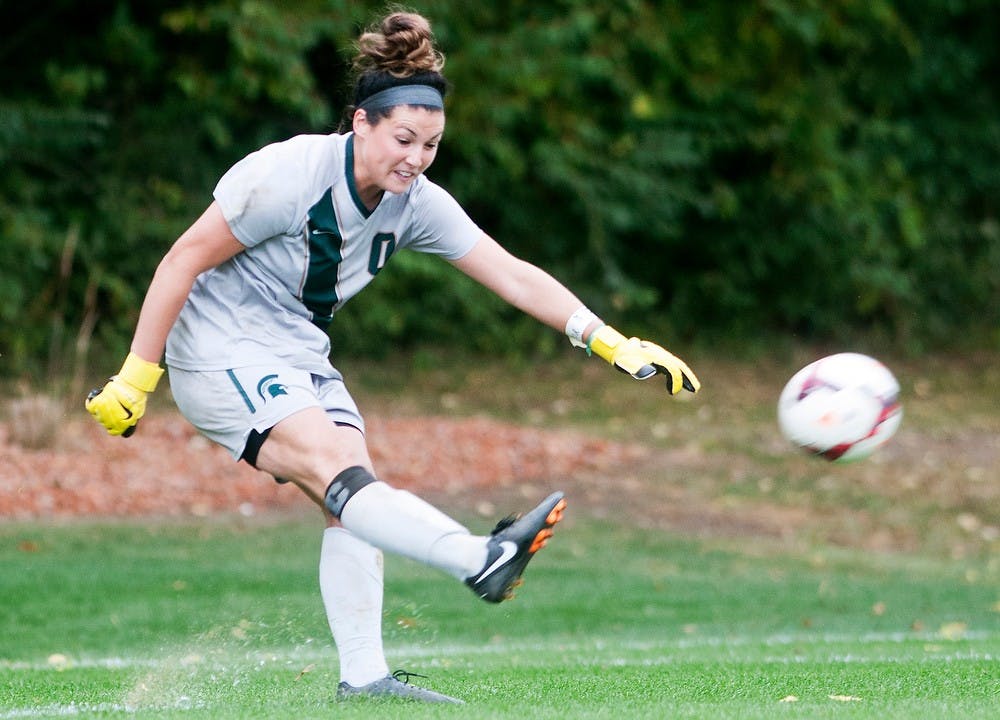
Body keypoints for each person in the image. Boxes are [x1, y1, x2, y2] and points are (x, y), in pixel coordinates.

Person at [85, 10, 700, 705]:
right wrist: (137, 377)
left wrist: (611, 340)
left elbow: (511, 273)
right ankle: (480, 559)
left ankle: (365, 678)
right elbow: (183, 258)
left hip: (297, 353)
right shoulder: (286, 174)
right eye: (403, 139)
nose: (415, 158)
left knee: (352, 495)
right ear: (361, 124)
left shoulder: (415, 204)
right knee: (335, 467)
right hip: (220, 348)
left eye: (431, 145)